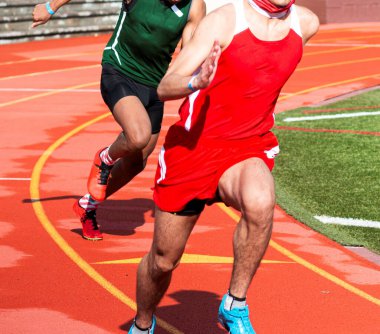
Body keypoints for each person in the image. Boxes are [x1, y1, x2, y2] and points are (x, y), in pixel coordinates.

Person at [128, 0, 319, 333]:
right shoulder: (224, 21)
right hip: (193, 150)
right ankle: (143, 323)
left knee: (261, 202)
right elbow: (165, 85)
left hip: (247, 145)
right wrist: (195, 82)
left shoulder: (306, 24)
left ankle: (235, 303)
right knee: (163, 260)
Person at [32, 0, 206, 240]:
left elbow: (188, 54)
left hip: (154, 86)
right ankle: (105, 158)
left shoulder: (195, 6)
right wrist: (52, 7)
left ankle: (87, 206)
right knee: (138, 135)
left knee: (138, 161)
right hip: (119, 71)